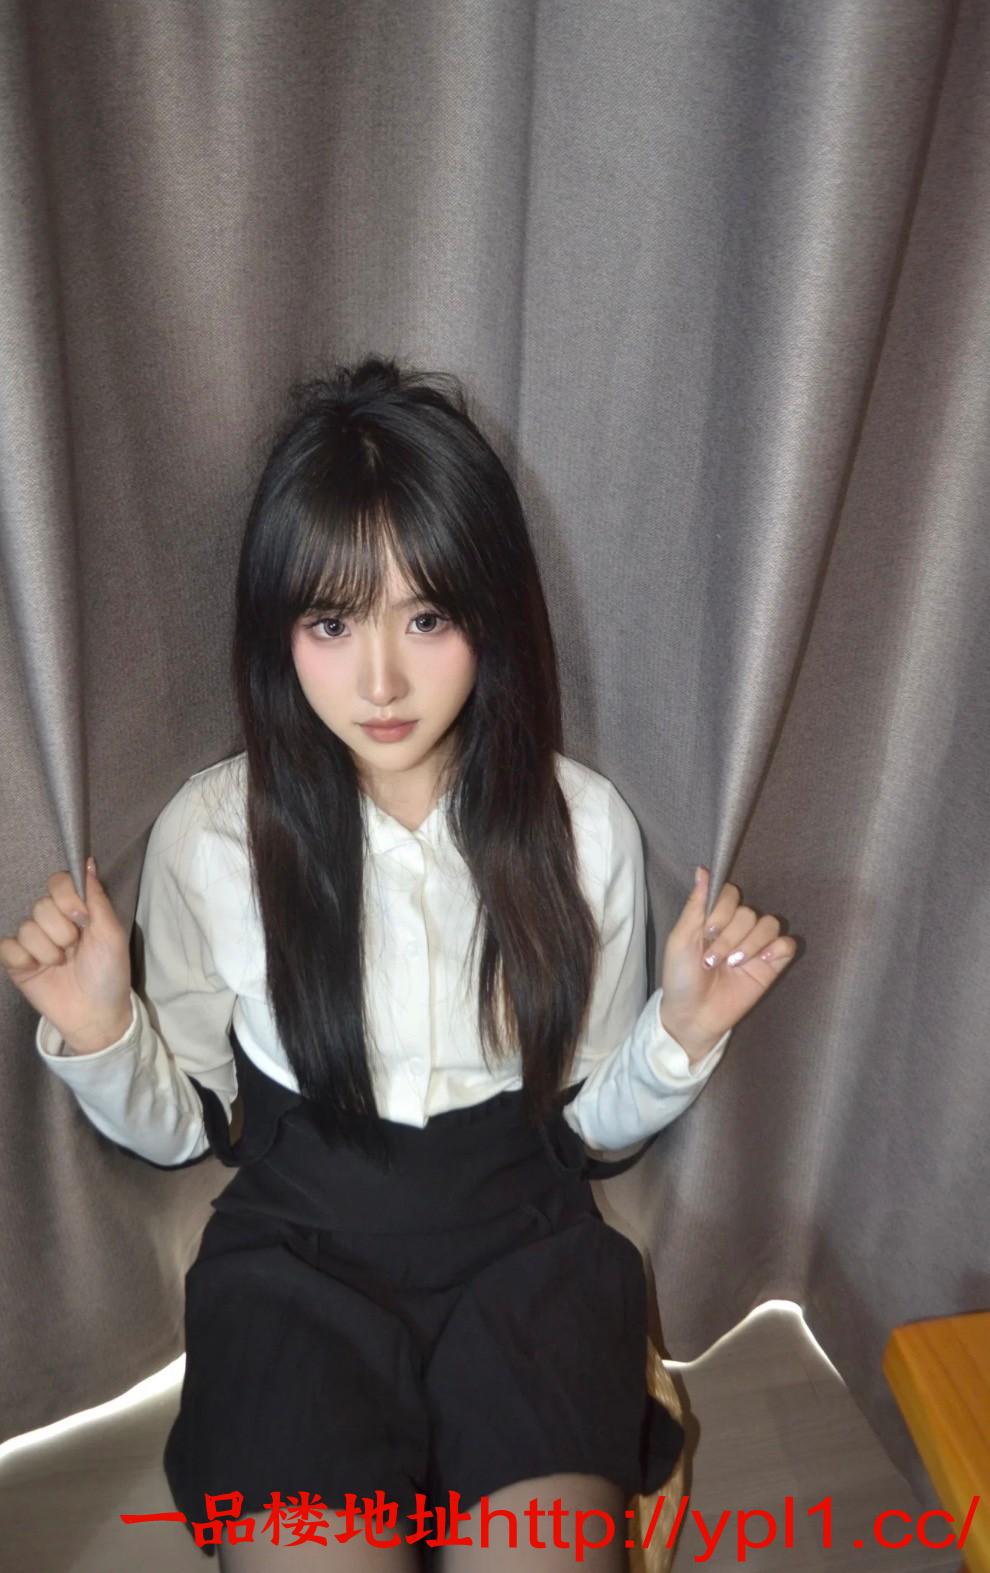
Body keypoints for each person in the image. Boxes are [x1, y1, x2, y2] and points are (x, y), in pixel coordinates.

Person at [4, 355, 797, 1571]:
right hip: (295, 1258)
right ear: (279, 629)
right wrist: (104, 1032)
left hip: (525, 1252)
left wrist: (680, 1031)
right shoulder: (213, 832)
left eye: (427, 618)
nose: (381, 681)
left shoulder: (580, 825)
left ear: (491, 613)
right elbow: (186, 1131)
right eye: (332, 623)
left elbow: (589, 1131)